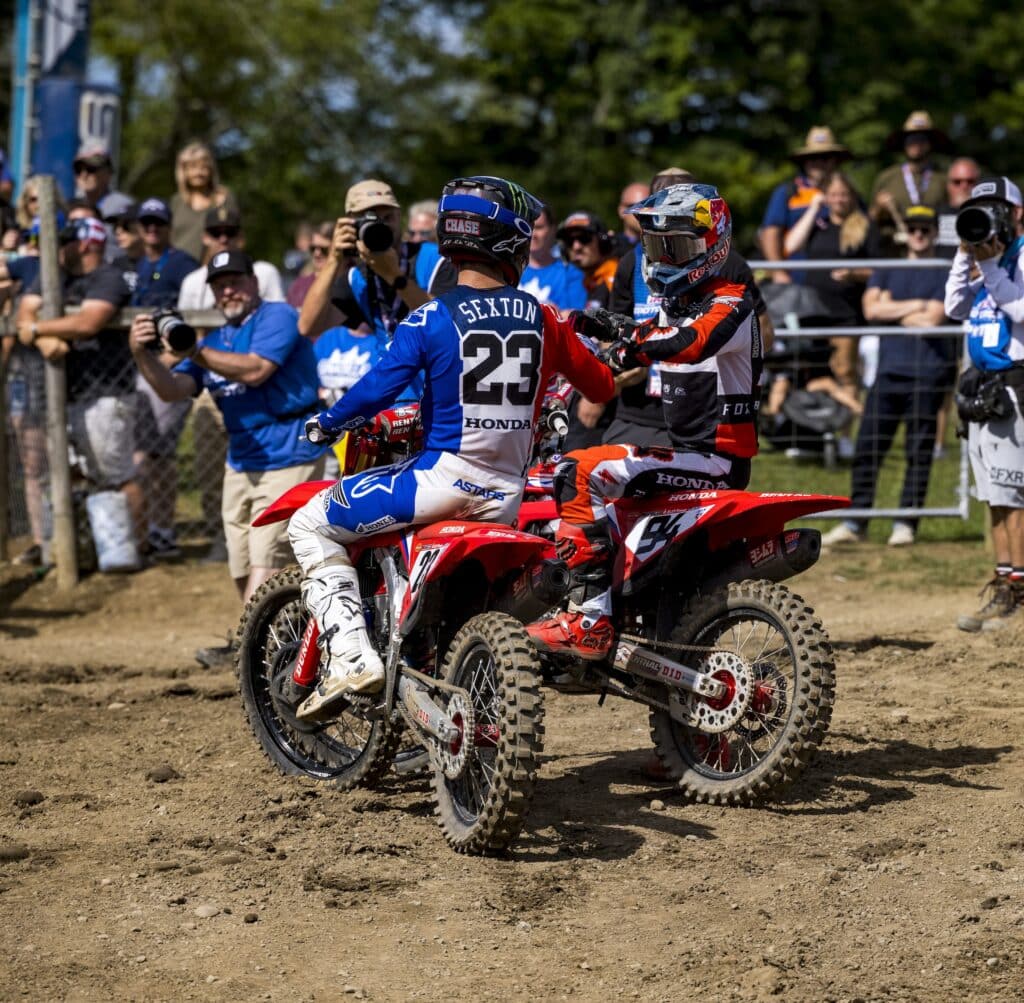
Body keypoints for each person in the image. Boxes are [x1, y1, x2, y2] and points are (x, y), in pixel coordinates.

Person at [288, 176, 616, 719]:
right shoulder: (545, 317)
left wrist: (328, 421)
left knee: (309, 522)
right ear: (510, 241)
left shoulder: (431, 315)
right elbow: (601, 386)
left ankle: (349, 656)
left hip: (439, 484)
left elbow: (378, 387)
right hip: (506, 499)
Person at [529, 184, 762, 661]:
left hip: (717, 461)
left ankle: (590, 623)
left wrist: (631, 347)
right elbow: (650, 330)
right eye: (658, 247)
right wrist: (592, 325)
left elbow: (690, 342)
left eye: (677, 246)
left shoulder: (732, 302)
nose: (665, 258)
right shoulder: (678, 305)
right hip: (687, 453)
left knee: (579, 471)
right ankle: (614, 611)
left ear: (713, 243)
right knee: (577, 501)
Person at [129, 250, 327, 659]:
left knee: (268, 555)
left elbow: (256, 370)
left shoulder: (278, 317)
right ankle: (269, 643)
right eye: (220, 285)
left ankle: (247, 650)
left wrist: (193, 351)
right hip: (241, 459)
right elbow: (171, 390)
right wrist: (142, 354)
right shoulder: (215, 340)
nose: (229, 290)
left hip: (290, 450)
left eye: (236, 280)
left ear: (254, 282)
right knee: (241, 562)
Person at [604, 167, 772, 449]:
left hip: (705, 413)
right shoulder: (631, 263)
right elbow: (614, 330)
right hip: (638, 412)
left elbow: (761, 332)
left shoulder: (731, 268)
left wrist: (738, 373)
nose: (666, 256)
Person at [822, 206, 953, 549]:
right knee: (868, 447)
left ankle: (905, 522)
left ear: (935, 232)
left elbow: (935, 319)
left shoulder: (944, 270)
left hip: (929, 371)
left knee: (918, 451)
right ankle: (855, 520)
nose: (919, 234)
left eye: (925, 228)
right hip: (888, 372)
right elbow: (871, 310)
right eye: (913, 228)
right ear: (904, 232)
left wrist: (895, 306)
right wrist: (918, 306)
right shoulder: (888, 266)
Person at [15, 218, 143, 546]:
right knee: (76, 474)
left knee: (116, 475)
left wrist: (37, 332)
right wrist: (45, 341)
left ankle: (140, 544)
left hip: (107, 394)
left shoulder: (108, 277)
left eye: (64, 242)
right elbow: (24, 312)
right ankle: (99, 546)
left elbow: (88, 323)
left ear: (85, 244)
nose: (56, 249)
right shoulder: (58, 278)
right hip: (70, 394)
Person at [943, 177, 1024, 631]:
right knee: (994, 495)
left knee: (1016, 494)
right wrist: (963, 253)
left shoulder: (1019, 256)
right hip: (981, 388)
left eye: (995, 208)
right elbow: (954, 306)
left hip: (1014, 384)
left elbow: (1023, 310)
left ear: (1015, 213)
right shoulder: (981, 258)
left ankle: (1021, 593)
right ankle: (1004, 582)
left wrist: (991, 266)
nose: (986, 217)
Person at [772, 171, 879, 421]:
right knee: (812, 373)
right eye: (833, 195)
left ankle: (844, 431)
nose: (839, 199)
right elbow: (792, 246)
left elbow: (878, 269)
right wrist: (813, 208)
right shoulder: (818, 225)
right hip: (813, 312)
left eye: (844, 194)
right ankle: (817, 425)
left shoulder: (865, 226)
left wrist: (853, 273)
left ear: (852, 197)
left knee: (844, 372)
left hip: (845, 313)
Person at [299, 179, 455, 342]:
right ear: (350, 222)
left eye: (387, 217)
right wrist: (334, 258)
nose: (380, 226)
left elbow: (446, 323)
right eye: (368, 219)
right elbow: (308, 326)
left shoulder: (436, 259)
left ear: (399, 216)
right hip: (389, 365)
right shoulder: (357, 277)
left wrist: (394, 277)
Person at [760, 126, 852, 284]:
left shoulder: (848, 192)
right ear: (804, 162)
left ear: (835, 161)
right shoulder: (787, 192)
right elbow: (770, 233)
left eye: (825, 157)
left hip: (840, 280)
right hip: (796, 277)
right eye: (813, 158)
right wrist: (778, 272)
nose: (818, 163)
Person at [871, 111, 951, 254]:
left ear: (930, 143)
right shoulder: (887, 177)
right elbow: (870, 219)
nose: (916, 144)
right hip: (895, 252)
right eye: (911, 139)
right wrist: (879, 207)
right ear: (904, 144)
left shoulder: (943, 179)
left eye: (922, 139)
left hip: (934, 253)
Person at [177, 206, 284, 309]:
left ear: (241, 237)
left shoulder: (265, 272)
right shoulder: (192, 281)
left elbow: (278, 314)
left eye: (230, 232)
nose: (223, 239)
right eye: (216, 233)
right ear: (205, 238)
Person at [169, 142, 238, 262]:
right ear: (183, 171)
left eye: (203, 167)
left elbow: (237, 237)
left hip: (216, 266)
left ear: (211, 170)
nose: (199, 173)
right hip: (179, 267)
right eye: (193, 167)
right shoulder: (176, 202)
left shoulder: (224, 199)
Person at [519, 205, 588, 312]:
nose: (532, 234)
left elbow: (576, 319)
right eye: (528, 227)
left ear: (553, 229)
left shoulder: (571, 273)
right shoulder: (509, 270)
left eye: (539, 227)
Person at [556, 211, 618, 310]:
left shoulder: (615, 276)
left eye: (584, 238)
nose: (576, 247)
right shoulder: (590, 280)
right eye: (569, 241)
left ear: (603, 242)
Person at [935, 157, 982, 259]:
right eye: (957, 182)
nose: (964, 186)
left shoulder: (988, 215)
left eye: (970, 181)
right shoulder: (933, 214)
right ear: (948, 185)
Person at [286, 221, 334, 310]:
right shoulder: (298, 285)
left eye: (323, 249)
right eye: (313, 248)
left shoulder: (348, 283)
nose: (317, 253)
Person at [612, 181, 651, 256]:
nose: (642, 212)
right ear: (621, 210)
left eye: (649, 206)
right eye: (636, 206)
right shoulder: (610, 248)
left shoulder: (662, 246)